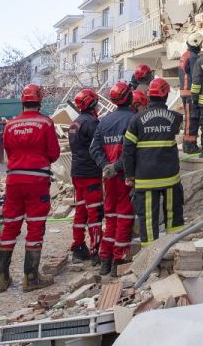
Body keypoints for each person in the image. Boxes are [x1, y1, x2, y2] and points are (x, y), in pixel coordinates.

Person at [0, 83, 60, 293]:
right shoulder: (45, 123)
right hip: (37, 180)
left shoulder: (11, 125)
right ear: (39, 100)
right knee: (34, 226)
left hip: (14, 179)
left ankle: (3, 278)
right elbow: (54, 153)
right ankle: (30, 277)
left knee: (10, 225)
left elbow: (9, 152)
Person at [123, 78, 183, 253]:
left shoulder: (136, 120)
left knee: (148, 219)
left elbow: (128, 150)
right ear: (165, 96)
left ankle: (150, 258)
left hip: (145, 178)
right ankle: (175, 250)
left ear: (149, 96)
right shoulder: (175, 118)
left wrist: (129, 175)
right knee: (173, 215)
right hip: (170, 177)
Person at [90, 82, 138, 277]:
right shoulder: (134, 120)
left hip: (108, 178)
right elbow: (132, 151)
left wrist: (106, 167)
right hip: (126, 177)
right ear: (129, 97)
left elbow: (94, 148)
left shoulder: (104, 121)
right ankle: (119, 260)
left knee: (110, 218)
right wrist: (116, 168)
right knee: (125, 217)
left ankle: (105, 260)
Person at [67, 88, 103, 264]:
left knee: (80, 211)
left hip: (77, 173)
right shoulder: (92, 123)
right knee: (94, 212)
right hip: (90, 174)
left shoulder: (74, 123)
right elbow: (98, 147)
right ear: (93, 103)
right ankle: (96, 250)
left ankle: (78, 247)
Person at [178, 34, 203, 154]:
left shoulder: (185, 55)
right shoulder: (193, 57)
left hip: (186, 92)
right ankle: (189, 146)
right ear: (195, 43)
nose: (201, 46)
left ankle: (190, 144)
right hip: (190, 93)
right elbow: (196, 76)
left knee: (191, 119)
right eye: (200, 44)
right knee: (191, 120)